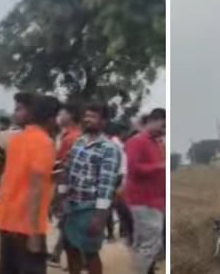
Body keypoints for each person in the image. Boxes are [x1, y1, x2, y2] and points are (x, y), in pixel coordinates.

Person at [0, 94, 60, 274]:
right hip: (27, 226)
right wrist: (34, 232)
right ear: (52, 118)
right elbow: (35, 188)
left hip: (7, 220)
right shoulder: (44, 143)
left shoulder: (16, 140)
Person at [58, 104, 122, 274]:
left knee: (90, 253)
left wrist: (99, 216)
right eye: (86, 116)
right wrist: (61, 197)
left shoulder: (108, 148)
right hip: (71, 206)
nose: (87, 119)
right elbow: (67, 170)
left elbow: (106, 184)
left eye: (93, 116)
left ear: (103, 121)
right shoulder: (78, 142)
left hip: (90, 209)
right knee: (70, 248)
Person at [124, 108, 166, 274]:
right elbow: (133, 169)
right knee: (149, 246)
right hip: (143, 200)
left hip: (153, 200)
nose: (164, 130)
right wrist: (158, 167)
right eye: (163, 125)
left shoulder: (155, 143)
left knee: (144, 244)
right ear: (153, 120)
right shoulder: (138, 141)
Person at [50, 103, 83, 267]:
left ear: (70, 116)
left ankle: (79, 259)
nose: (58, 117)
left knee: (69, 221)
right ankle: (57, 254)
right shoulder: (74, 136)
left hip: (68, 187)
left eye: (61, 113)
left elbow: (62, 166)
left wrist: (57, 191)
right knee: (68, 221)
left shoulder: (70, 138)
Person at [0, 93, 34, 201]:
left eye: (18, 109)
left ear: (31, 112)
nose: (14, 114)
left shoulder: (45, 140)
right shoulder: (8, 137)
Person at [106, 123, 132, 242]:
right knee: (118, 206)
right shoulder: (118, 143)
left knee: (112, 206)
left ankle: (114, 233)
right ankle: (123, 232)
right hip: (119, 176)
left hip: (114, 176)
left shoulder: (112, 143)